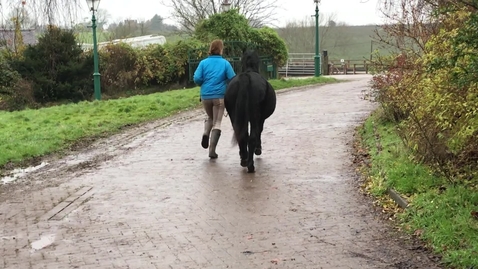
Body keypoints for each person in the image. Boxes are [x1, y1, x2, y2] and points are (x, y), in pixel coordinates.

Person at [193, 39, 236, 159]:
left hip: (205, 96)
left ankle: (206, 133)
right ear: (221, 49)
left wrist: (204, 84)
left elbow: (196, 78)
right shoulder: (225, 64)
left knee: (210, 117)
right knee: (217, 122)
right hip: (219, 97)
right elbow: (232, 79)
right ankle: (212, 150)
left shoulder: (203, 63)